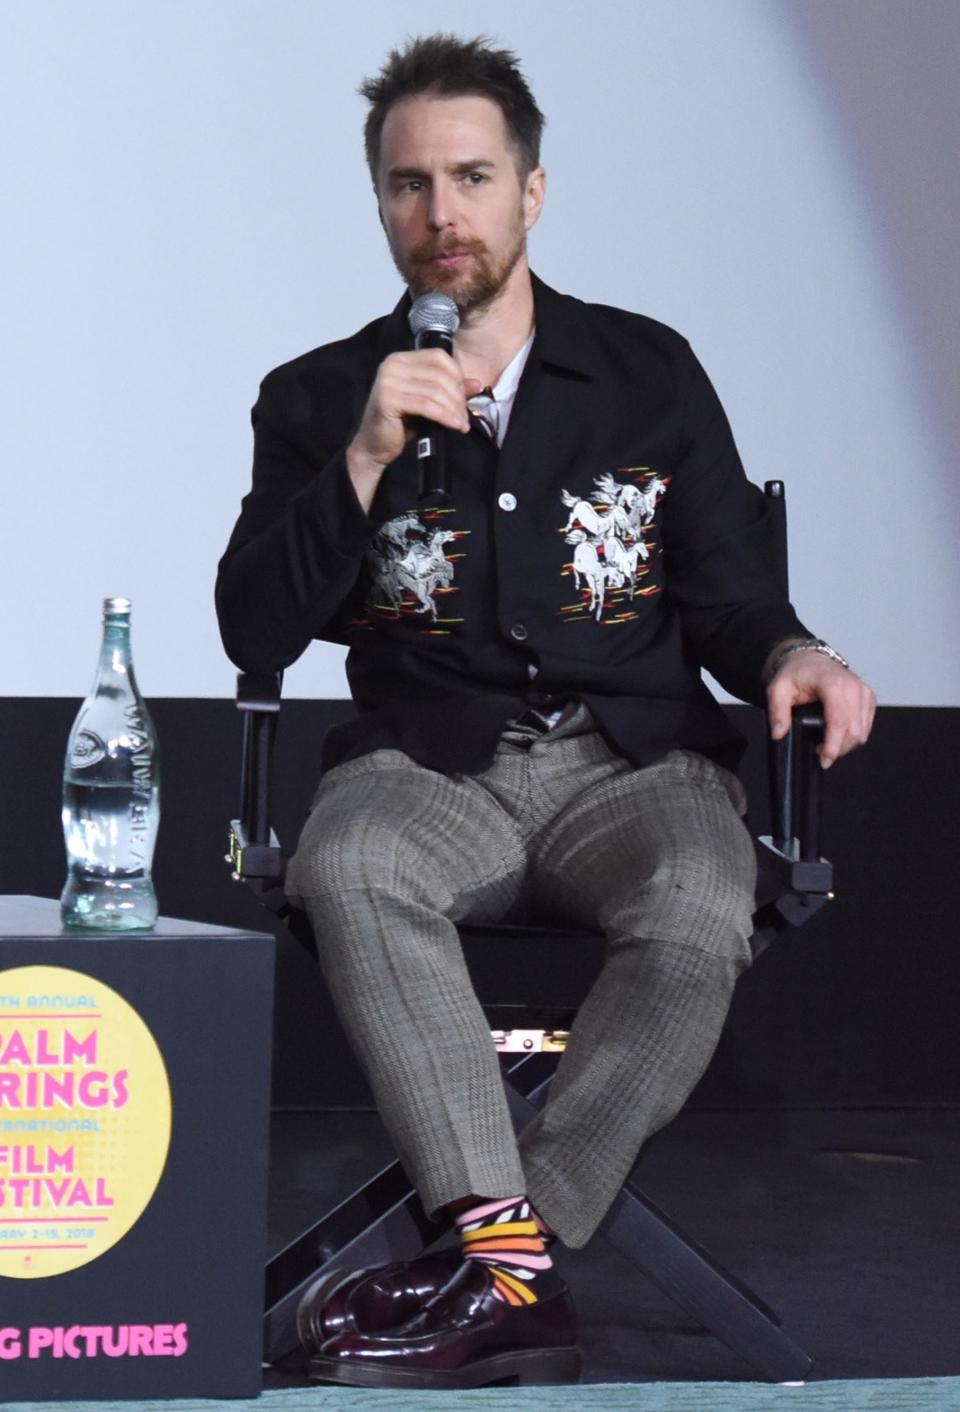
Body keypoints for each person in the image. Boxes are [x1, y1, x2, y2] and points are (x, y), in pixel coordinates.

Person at [216, 34, 876, 1391]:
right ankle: (514, 1272)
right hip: (427, 767)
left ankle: (498, 1268)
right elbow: (254, 629)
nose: (441, 214)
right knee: (348, 864)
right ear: (380, 202)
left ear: (532, 191)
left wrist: (800, 652)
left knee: (704, 895)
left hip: (632, 771)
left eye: (471, 177)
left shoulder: (646, 375)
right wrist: (360, 459)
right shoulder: (317, 398)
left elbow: (733, 600)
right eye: (409, 185)